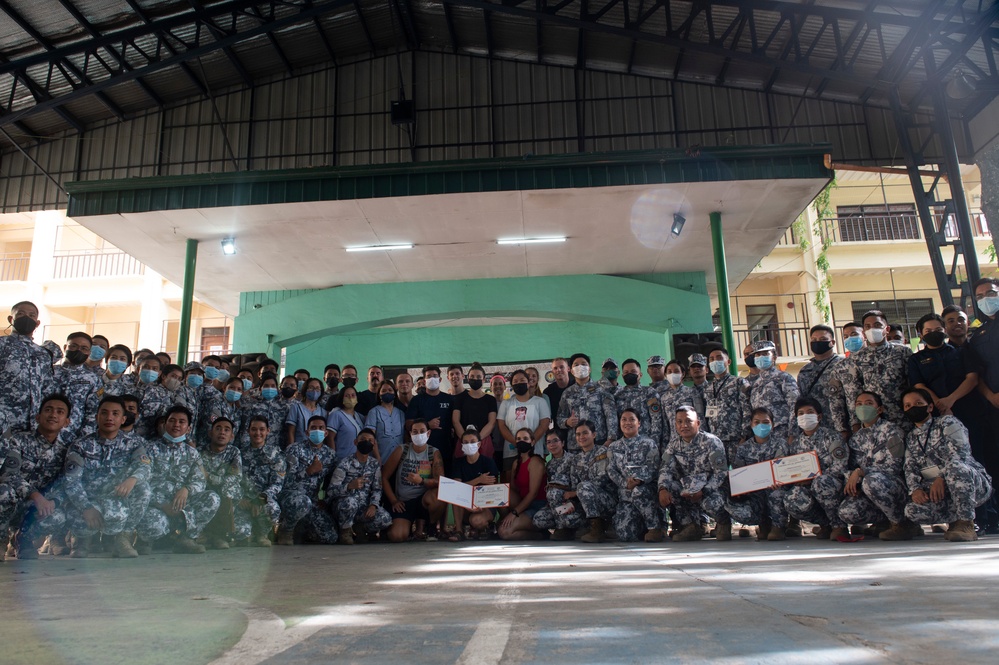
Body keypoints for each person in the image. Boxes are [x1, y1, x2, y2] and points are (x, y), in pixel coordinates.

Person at [26, 396, 152, 558]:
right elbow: (71, 481)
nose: (109, 418)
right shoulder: (80, 445)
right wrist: (86, 507)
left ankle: (122, 538)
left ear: (123, 419)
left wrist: (132, 479)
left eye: (115, 414)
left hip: (115, 500)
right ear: (96, 417)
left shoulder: (134, 444)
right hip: (85, 502)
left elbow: (145, 467)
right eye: (104, 413)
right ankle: (81, 540)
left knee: (144, 488)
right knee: (80, 525)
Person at [901, 387, 993, 542]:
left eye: (918, 403)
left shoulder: (947, 423)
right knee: (911, 511)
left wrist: (941, 477)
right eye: (908, 405)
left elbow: (959, 454)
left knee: (956, 468)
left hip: (971, 483)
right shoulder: (911, 437)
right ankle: (954, 520)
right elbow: (909, 467)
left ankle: (966, 524)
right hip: (940, 492)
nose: (913, 408)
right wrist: (915, 489)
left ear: (930, 407)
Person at [136, 405, 221, 554]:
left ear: (188, 428)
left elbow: (200, 480)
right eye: (172, 421)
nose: (176, 425)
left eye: (182, 422)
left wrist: (186, 489)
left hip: (183, 505)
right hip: (156, 506)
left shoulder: (192, 453)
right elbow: (142, 482)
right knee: (153, 526)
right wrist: (162, 504)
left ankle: (186, 538)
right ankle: (150, 540)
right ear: (165, 424)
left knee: (212, 498)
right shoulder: (150, 449)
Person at [837, 392, 918, 540]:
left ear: (879, 409)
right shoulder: (856, 439)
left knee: (871, 481)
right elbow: (851, 467)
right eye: (859, 404)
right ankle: (882, 521)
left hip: (894, 487)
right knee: (846, 511)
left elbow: (895, 466)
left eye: (868, 403)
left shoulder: (892, 431)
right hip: (869, 489)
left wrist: (862, 473)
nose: (863, 407)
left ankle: (900, 524)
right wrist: (854, 478)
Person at [0, 394, 72, 559]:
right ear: (38, 417)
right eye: (48, 410)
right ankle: (1, 538)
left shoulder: (65, 451)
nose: (53, 415)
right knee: (3, 492)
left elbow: (65, 483)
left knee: (59, 515)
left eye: (60, 412)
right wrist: (35, 495)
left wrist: (53, 502)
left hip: (36, 509)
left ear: (66, 422)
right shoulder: (18, 441)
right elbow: (8, 474)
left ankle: (24, 539)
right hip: (14, 501)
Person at [657, 406, 730, 542]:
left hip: (710, 490)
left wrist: (704, 490)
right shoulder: (673, 445)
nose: (684, 425)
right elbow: (665, 469)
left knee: (711, 502)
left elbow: (721, 473)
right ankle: (691, 526)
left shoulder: (711, 442)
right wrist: (662, 488)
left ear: (698, 423)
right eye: (679, 422)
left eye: (688, 421)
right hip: (687, 489)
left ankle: (723, 522)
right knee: (670, 488)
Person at [782, 398, 849, 540]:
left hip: (833, 486)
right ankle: (825, 524)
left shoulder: (832, 437)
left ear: (819, 416)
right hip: (808, 488)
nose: (805, 416)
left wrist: (814, 478)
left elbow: (840, 466)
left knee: (821, 482)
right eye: (800, 413)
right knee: (791, 499)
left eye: (810, 412)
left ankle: (839, 526)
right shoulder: (795, 445)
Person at [841, 310, 913, 431]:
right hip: (872, 420)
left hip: (902, 417)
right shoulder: (856, 358)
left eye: (877, 325)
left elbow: (912, 384)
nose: (872, 329)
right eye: (868, 326)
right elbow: (853, 392)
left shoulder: (902, 352)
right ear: (863, 332)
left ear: (887, 329)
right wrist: (855, 422)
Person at [724, 407, 788, 541]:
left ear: (772, 424)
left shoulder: (780, 444)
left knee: (778, 493)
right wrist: (741, 488)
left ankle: (778, 527)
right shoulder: (743, 448)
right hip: (754, 493)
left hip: (775, 488)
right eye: (757, 422)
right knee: (734, 504)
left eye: (765, 422)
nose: (761, 426)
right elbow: (739, 474)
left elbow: (783, 470)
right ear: (751, 424)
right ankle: (763, 524)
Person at [277, 415, 337, 545]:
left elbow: (330, 481)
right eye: (313, 428)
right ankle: (285, 531)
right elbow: (285, 480)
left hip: (313, 500)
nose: (317, 430)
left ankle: (302, 530)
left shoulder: (330, 455)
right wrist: (308, 471)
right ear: (307, 432)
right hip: (292, 496)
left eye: (321, 428)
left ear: (326, 433)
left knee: (330, 537)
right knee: (302, 502)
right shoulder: (295, 449)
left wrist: (324, 499)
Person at [383, 419, 445, 542]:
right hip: (404, 503)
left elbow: (441, 482)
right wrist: (394, 501)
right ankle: (410, 528)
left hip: (424, 501)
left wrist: (421, 481)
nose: (418, 435)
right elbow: (384, 477)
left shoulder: (434, 452)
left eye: (422, 431)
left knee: (439, 494)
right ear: (410, 434)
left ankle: (431, 527)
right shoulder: (402, 450)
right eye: (415, 432)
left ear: (428, 433)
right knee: (397, 536)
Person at [328, 428, 392, 544]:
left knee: (385, 519)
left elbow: (377, 489)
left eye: (370, 440)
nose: (366, 442)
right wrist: (349, 486)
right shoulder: (345, 463)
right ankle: (345, 531)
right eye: (363, 439)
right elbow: (331, 491)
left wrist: (373, 505)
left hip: (363, 508)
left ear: (374, 444)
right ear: (355, 442)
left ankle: (360, 528)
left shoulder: (374, 464)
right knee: (350, 503)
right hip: (344, 507)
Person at [607, 410, 663, 542]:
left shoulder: (649, 443)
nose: (627, 423)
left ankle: (654, 528)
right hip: (626, 495)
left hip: (645, 492)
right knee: (625, 535)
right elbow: (611, 470)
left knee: (638, 492)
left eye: (631, 419)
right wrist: (625, 483)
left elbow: (653, 467)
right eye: (624, 419)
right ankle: (640, 526)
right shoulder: (614, 447)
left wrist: (638, 480)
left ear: (639, 423)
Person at [0, 301, 56, 434]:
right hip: (3, 421)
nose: (27, 318)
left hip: (31, 425)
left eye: (32, 315)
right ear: (11, 319)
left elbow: (47, 389)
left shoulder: (43, 354)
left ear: (37, 323)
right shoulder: (2, 345)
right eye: (21, 314)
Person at [235, 415, 285, 547]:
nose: (258, 433)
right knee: (241, 534)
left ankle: (262, 534)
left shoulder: (275, 455)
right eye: (254, 429)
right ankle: (248, 532)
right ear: (248, 431)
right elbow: (234, 480)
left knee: (273, 508)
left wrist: (261, 498)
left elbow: (277, 483)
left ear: (268, 431)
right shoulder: (239, 454)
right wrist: (240, 498)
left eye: (262, 429)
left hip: (263, 500)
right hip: (243, 501)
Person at [557, 353, 617, 452]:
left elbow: (611, 416)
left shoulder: (602, 389)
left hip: (599, 443)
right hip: (575, 446)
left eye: (584, 364)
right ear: (571, 370)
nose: (580, 367)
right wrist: (566, 422)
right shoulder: (567, 393)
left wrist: (611, 439)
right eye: (576, 365)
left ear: (590, 369)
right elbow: (559, 418)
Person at [199, 417, 244, 549]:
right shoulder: (199, 452)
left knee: (227, 490)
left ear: (231, 436)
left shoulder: (234, 452)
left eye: (226, 430)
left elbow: (235, 478)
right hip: (206, 493)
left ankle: (219, 535)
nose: (222, 432)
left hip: (225, 494)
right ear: (210, 433)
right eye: (218, 428)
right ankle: (203, 532)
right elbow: (197, 477)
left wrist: (209, 477)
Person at [450, 428, 501, 541]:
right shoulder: (458, 463)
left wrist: (479, 504)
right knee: (455, 495)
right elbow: (456, 488)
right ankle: (459, 531)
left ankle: (485, 527)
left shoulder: (488, 462)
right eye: (466, 442)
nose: (469, 445)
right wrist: (479, 480)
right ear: (462, 445)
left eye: (472, 442)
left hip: (484, 503)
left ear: (479, 444)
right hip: (465, 504)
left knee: (477, 521)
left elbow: (493, 488)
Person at [497, 427, 548, 541]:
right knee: (502, 491)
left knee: (504, 532)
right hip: (523, 504)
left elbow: (533, 494)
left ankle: (541, 535)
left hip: (537, 506)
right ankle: (504, 520)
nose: (522, 441)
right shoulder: (516, 463)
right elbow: (513, 491)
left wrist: (514, 513)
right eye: (518, 439)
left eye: (525, 438)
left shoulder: (535, 462)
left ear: (532, 441)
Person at [571, 420, 617, 543]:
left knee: (583, 487)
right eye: (578, 434)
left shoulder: (602, 452)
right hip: (585, 501)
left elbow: (602, 479)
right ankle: (585, 525)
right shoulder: (576, 459)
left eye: (585, 433)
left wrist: (577, 491)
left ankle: (596, 530)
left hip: (607, 500)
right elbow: (573, 483)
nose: (581, 437)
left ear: (594, 435)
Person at [497, 370, 551, 473]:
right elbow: (501, 425)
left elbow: (544, 424)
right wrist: (516, 443)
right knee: (511, 482)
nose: (519, 383)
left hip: (534, 450)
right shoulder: (506, 403)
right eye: (515, 381)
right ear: (512, 385)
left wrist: (530, 442)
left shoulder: (540, 401)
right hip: (511, 451)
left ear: (528, 383)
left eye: (522, 380)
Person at [703, 348, 751, 462]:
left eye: (719, 358)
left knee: (739, 472)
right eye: (712, 359)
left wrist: (745, 436)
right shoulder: (708, 388)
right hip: (715, 440)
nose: (715, 361)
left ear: (728, 361)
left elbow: (747, 410)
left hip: (736, 438)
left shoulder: (739, 382)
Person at [532, 429, 582, 540]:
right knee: (538, 520)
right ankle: (562, 528)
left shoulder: (573, 460)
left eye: (555, 441)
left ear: (563, 443)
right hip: (555, 506)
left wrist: (572, 502)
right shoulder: (549, 464)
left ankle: (568, 529)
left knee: (567, 520)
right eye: (549, 442)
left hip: (572, 503)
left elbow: (577, 485)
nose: (552, 445)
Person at [746, 340, 800, 442]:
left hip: (782, 433)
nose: (761, 357)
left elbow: (795, 406)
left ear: (774, 356)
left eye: (765, 354)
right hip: (762, 436)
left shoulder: (783, 378)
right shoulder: (755, 383)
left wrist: (793, 433)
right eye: (758, 354)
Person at [406, 366, 454, 474]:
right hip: (423, 451)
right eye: (428, 376)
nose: (432, 378)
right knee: (425, 479)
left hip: (446, 449)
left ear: (440, 379)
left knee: (444, 481)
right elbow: (408, 424)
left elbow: (455, 421)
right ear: (424, 380)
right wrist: (427, 425)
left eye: (435, 376)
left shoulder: (449, 399)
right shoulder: (417, 400)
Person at [53, 331, 101, 440]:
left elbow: (93, 413)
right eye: (74, 346)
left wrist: (83, 439)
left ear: (89, 352)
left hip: (73, 436)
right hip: (44, 433)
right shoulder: (50, 372)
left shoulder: (92, 379)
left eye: (84, 348)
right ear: (65, 347)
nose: (79, 350)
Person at [797, 325, 844, 429]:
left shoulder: (843, 365)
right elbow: (802, 400)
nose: (818, 342)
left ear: (832, 342)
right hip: (814, 427)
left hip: (840, 426)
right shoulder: (805, 370)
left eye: (823, 339)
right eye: (814, 340)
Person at [827, 321, 866, 441]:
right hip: (855, 424)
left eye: (854, 334)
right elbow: (835, 401)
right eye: (845, 336)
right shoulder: (840, 367)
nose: (849, 338)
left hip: (883, 418)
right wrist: (842, 428)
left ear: (864, 335)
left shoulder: (876, 359)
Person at [613, 358, 665, 448]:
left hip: (646, 443)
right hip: (624, 446)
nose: (629, 374)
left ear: (640, 374)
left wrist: (654, 442)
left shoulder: (649, 392)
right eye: (626, 372)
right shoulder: (617, 395)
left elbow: (656, 419)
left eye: (633, 371)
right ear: (622, 376)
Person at [451, 363, 498, 460]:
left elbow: (492, 422)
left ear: (484, 379)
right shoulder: (460, 399)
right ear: (468, 379)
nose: (475, 379)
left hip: (483, 441)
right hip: (463, 441)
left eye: (478, 377)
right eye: (472, 376)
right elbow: (455, 421)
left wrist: (476, 440)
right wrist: (466, 441)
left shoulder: (490, 400)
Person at [242, 372, 288, 450]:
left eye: (273, 386)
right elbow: (246, 430)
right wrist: (245, 448)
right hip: (255, 449)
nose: (270, 388)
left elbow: (286, 431)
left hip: (277, 450)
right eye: (266, 386)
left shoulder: (284, 407)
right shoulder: (253, 406)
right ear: (260, 389)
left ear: (277, 389)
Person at [365, 379, 406, 464]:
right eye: (383, 390)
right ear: (379, 394)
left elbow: (404, 437)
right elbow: (370, 437)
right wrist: (377, 457)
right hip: (381, 458)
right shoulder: (374, 412)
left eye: (390, 390)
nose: (387, 392)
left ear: (394, 393)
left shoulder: (401, 413)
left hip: (400, 459)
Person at [655, 359, 699, 429]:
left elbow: (700, 417)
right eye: (669, 372)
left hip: (691, 437)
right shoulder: (664, 397)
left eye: (676, 371)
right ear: (666, 375)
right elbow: (665, 424)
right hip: (674, 438)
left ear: (683, 374)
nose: (672, 374)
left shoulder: (692, 392)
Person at [327, 385, 366, 461]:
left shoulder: (359, 416)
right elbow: (330, 438)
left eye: (353, 395)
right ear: (342, 398)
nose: (350, 398)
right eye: (346, 396)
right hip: (342, 459)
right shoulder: (336, 415)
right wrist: (332, 457)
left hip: (358, 459)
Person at [285, 377, 328, 448]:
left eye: (317, 388)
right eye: (311, 388)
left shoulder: (323, 412)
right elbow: (291, 432)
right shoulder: (296, 407)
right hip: (298, 448)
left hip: (317, 449)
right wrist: (291, 448)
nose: (314, 391)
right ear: (305, 390)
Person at [543, 357, 571, 442]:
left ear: (568, 369)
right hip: (559, 437)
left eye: (562, 367)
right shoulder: (548, 392)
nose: (558, 370)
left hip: (578, 435)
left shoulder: (576, 387)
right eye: (555, 368)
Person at [686, 354, 709, 419]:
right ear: (689, 372)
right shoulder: (687, 393)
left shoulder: (713, 389)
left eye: (700, 366)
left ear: (707, 370)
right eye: (693, 366)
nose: (696, 368)